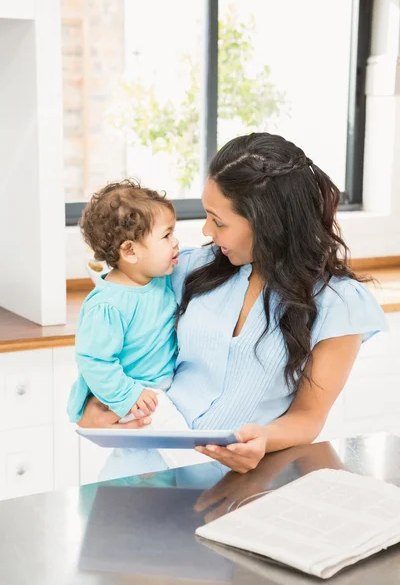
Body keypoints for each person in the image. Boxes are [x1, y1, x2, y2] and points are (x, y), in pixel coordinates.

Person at [78, 133, 387, 474]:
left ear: (268, 224)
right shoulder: (190, 269)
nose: (207, 230)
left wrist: (263, 439)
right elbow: (116, 341)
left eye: (219, 221)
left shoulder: (338, 304)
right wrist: (94, 405)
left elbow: (309, 416)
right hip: (148, 469)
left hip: (245, 482)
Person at [67, 179, 180, 424]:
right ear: (130, 251)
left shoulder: (159, 279)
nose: (176, 242)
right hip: (129, 403)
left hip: (161, 396)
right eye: (167, 235)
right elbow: (94, 360)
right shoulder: (107, 306)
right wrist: (128, 394)